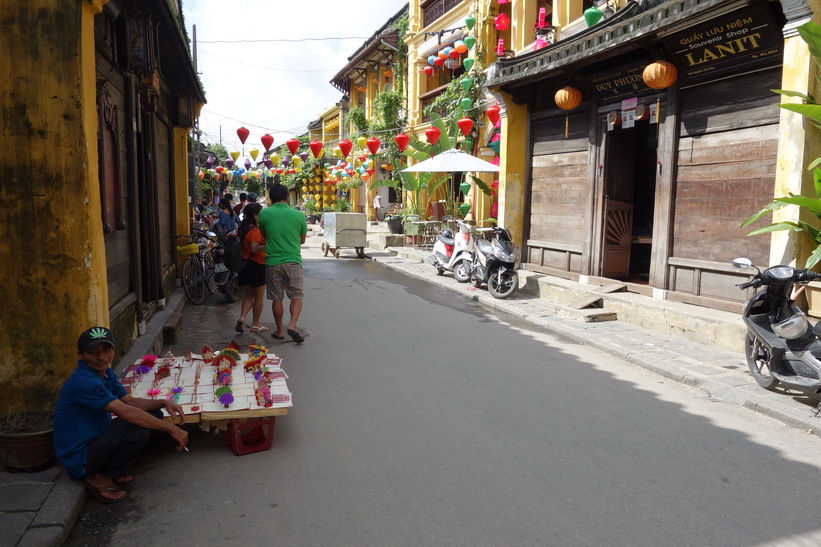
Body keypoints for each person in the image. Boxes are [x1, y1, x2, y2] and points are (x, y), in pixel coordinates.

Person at [53, 327, 188, 503]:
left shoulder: (105, 373)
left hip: (97, 440)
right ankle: (99, 475)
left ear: (113, 350)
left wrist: (163, 402)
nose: (101, 357)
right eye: (93, 352)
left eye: (106, 350)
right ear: (80, 355)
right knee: (137, 429)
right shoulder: (84, 381)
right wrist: (171, 428)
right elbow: (125, 412)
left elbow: (130, 401)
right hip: (80, 457)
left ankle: (114, 470)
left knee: (152, 414)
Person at [258, 184, 308, 343]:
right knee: (297, 295)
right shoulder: (299, 215)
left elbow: (264, 236)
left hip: (272, 262)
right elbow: (302, 240)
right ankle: (292, 325)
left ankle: (280, 331)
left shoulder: (264, 213)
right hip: (293, 261)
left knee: (276, 298)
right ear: (287, 197)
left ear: (270, 198)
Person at [235, 203, 267, 334]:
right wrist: (269, 244)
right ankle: (255, 324)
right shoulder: (255, 230)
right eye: (260, 213)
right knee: (259, 296)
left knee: (248, 295)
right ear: (255, 215)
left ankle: (242, 318)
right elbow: (255, 248)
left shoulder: (242, 227)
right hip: (256, 264)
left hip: (243, 265)